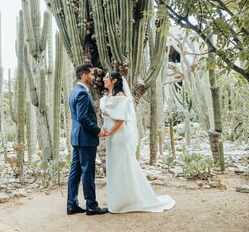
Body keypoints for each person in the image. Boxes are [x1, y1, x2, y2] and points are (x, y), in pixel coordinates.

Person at [101, 70, 176, 214]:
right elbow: (107, 118)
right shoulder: (108, 97)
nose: (104, 79)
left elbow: (120, 119)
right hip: (110, 136)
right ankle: (117, 200)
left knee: (122, 166)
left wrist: (110, 132)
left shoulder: (121, 96)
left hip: (118, 136)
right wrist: (103, 131)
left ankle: (126, 201)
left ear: (114, 80)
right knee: (113, 167)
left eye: (107, 77)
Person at [66, 63, 109, 216]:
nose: (93, 77)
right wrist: (98, 130)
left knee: (75, 171)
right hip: (85, 139)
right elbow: (84, 118)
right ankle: (91, 205)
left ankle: (72, 205)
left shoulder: (73, 92)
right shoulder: (83, 93)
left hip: (77, 138)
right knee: (87, 171)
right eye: (91, 74)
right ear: (84, 75)